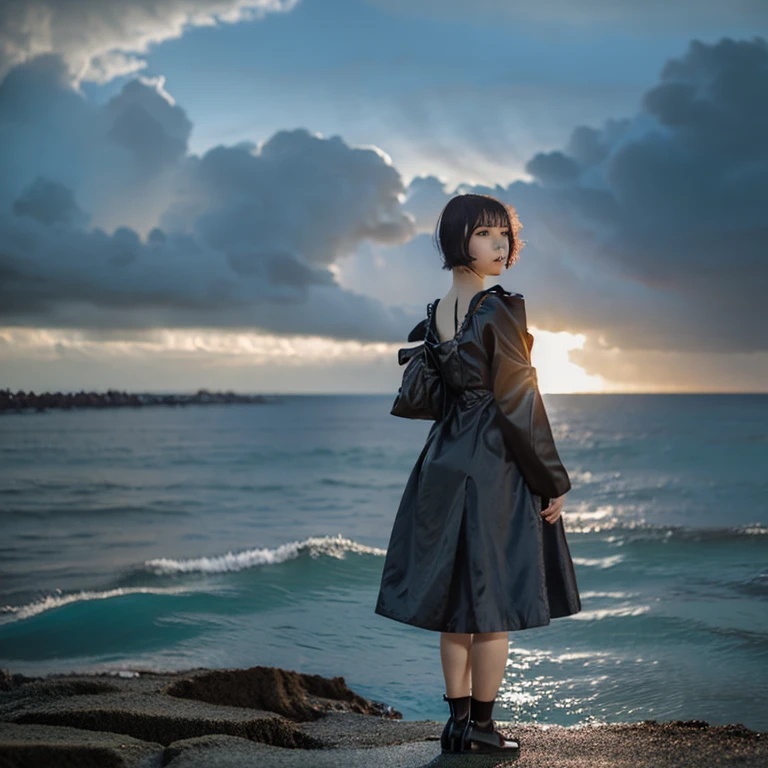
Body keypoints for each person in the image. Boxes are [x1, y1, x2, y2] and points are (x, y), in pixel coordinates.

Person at [374, 193, 581, 755]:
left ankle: (456, 724)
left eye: (504, 234)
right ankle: (484, 728)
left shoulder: (437, 312)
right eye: (486, 234)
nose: (501, 244)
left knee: (454, 600)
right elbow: (518, 400)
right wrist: (551, 477)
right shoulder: (500, 307)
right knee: (493, 604)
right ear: (457, 240)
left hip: (442, 460)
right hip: (492, 462)